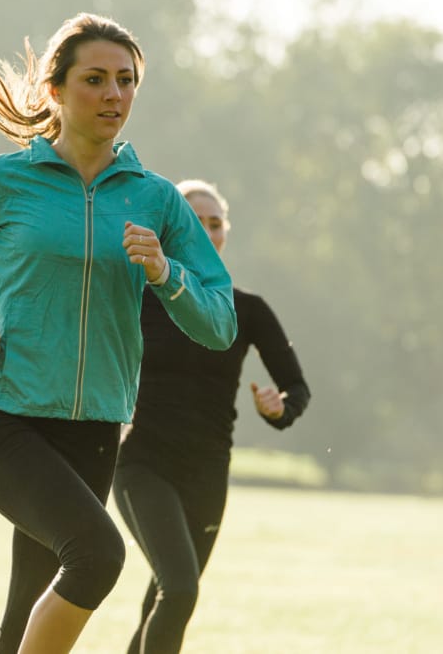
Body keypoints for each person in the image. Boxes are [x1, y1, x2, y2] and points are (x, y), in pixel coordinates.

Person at [0, 13, 237, 654]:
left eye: (126, 80)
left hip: (95, 429)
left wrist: (165, 273)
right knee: (98, 556)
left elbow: (220, 322)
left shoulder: (157, 200)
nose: (114, 94)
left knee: (26, 609)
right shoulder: (4, 180)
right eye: (96, 79)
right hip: (3, 417)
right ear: (55, 89)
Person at [113, 179, 312, 654]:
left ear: (226, 232)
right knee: (180, 589)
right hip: (143, 464)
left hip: (207, 474)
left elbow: (296, 387)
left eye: (215, 222)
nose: (206, 230)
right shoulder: (138, 296)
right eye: (194, 221)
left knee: (168, 596)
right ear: (171, 229)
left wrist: (279, 408)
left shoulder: (248, 309)